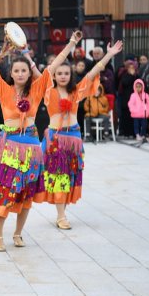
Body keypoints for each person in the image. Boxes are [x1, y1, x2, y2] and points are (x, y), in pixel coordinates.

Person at [0, 30, 83, 251]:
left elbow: (55, 65)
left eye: (24, 70)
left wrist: (71, 42)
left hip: (32, 148)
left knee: (26, 192)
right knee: (5, 191)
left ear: (28, 72)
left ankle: (17, 233)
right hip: (9, 148)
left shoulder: (36, 89)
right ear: (12, 73)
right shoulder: (3, 89)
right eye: (16, 70)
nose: (20, 73)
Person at [42, 41, 122, 230]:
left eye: (66, 73)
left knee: (70, 175)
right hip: (56, 139)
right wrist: (70, 44)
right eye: (59, 73)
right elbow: (44, 73)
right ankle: (61, 216)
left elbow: (93, 72)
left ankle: (62, 210)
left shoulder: (76, 91)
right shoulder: (48, 92)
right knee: (59, 176)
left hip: (74, 139)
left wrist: (109, 54)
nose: (62, 76)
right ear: (54, 74)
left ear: (70, 75)